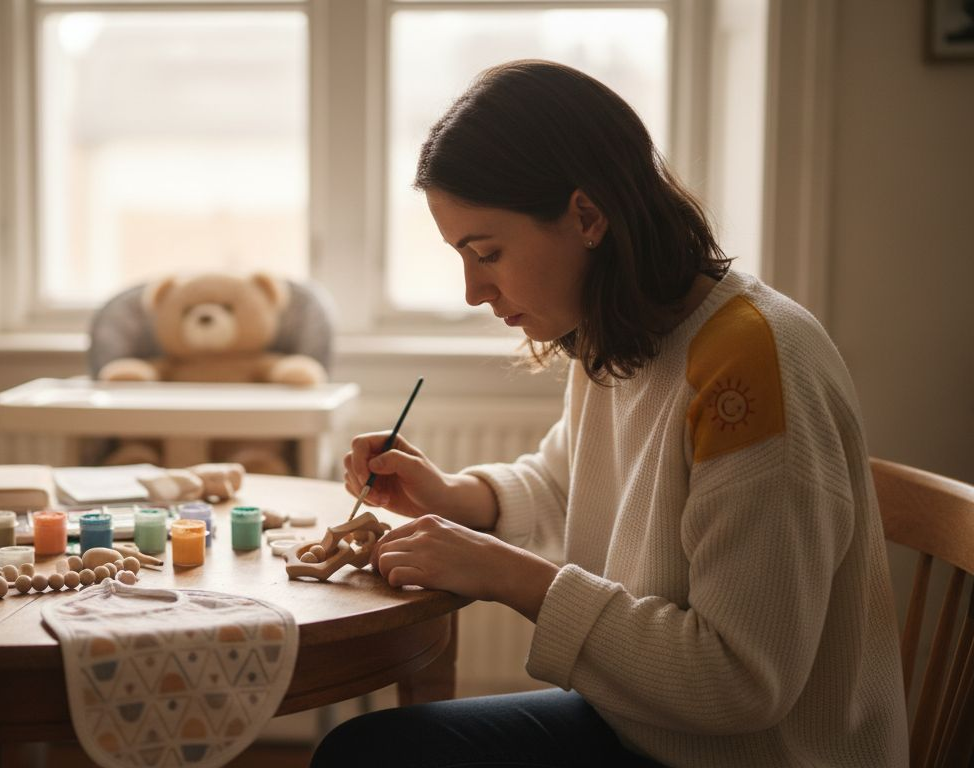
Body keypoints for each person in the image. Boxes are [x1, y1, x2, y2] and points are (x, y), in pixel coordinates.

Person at [311, 60, 907, 767]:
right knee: (366, 752)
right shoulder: (624, 331)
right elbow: (568, 479)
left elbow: (741, 683)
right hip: (646, 729)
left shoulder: (753, 363)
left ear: (587, 216)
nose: (474, 291)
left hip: (749, 754)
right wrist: (457, 497)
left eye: (488, 253)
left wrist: (507, 575)